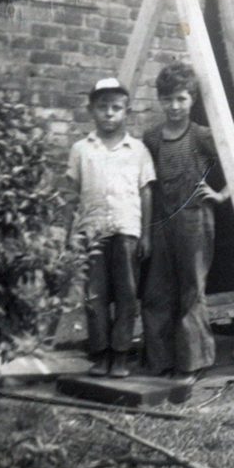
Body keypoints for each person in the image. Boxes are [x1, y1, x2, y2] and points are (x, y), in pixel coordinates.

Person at [141, 63, 229, 383]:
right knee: (157, 291)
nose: (174, 106)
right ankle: (159, 361)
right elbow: (146, 182)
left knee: (191, 291)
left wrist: (221, 195)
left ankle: (192, 364)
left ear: (192, 99)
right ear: (160, 100)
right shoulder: (151, 138)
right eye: (168, 99)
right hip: (161, 222)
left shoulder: (202, 136)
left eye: (181, 98)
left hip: (195, 221)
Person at [65, 77, 155, 378]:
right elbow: (71, 194)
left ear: (126, 112)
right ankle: (101, 353)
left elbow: (146, 192)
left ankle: (120, 354)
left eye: (116, 108)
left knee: (127, 295)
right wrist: (69, 234)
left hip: (127, 231)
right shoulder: (81, 149)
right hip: (91, 234)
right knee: (95, 297)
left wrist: (146, 234)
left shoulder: (137, 150)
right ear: (92, 110)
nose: (109, 113)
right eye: (103, 107)